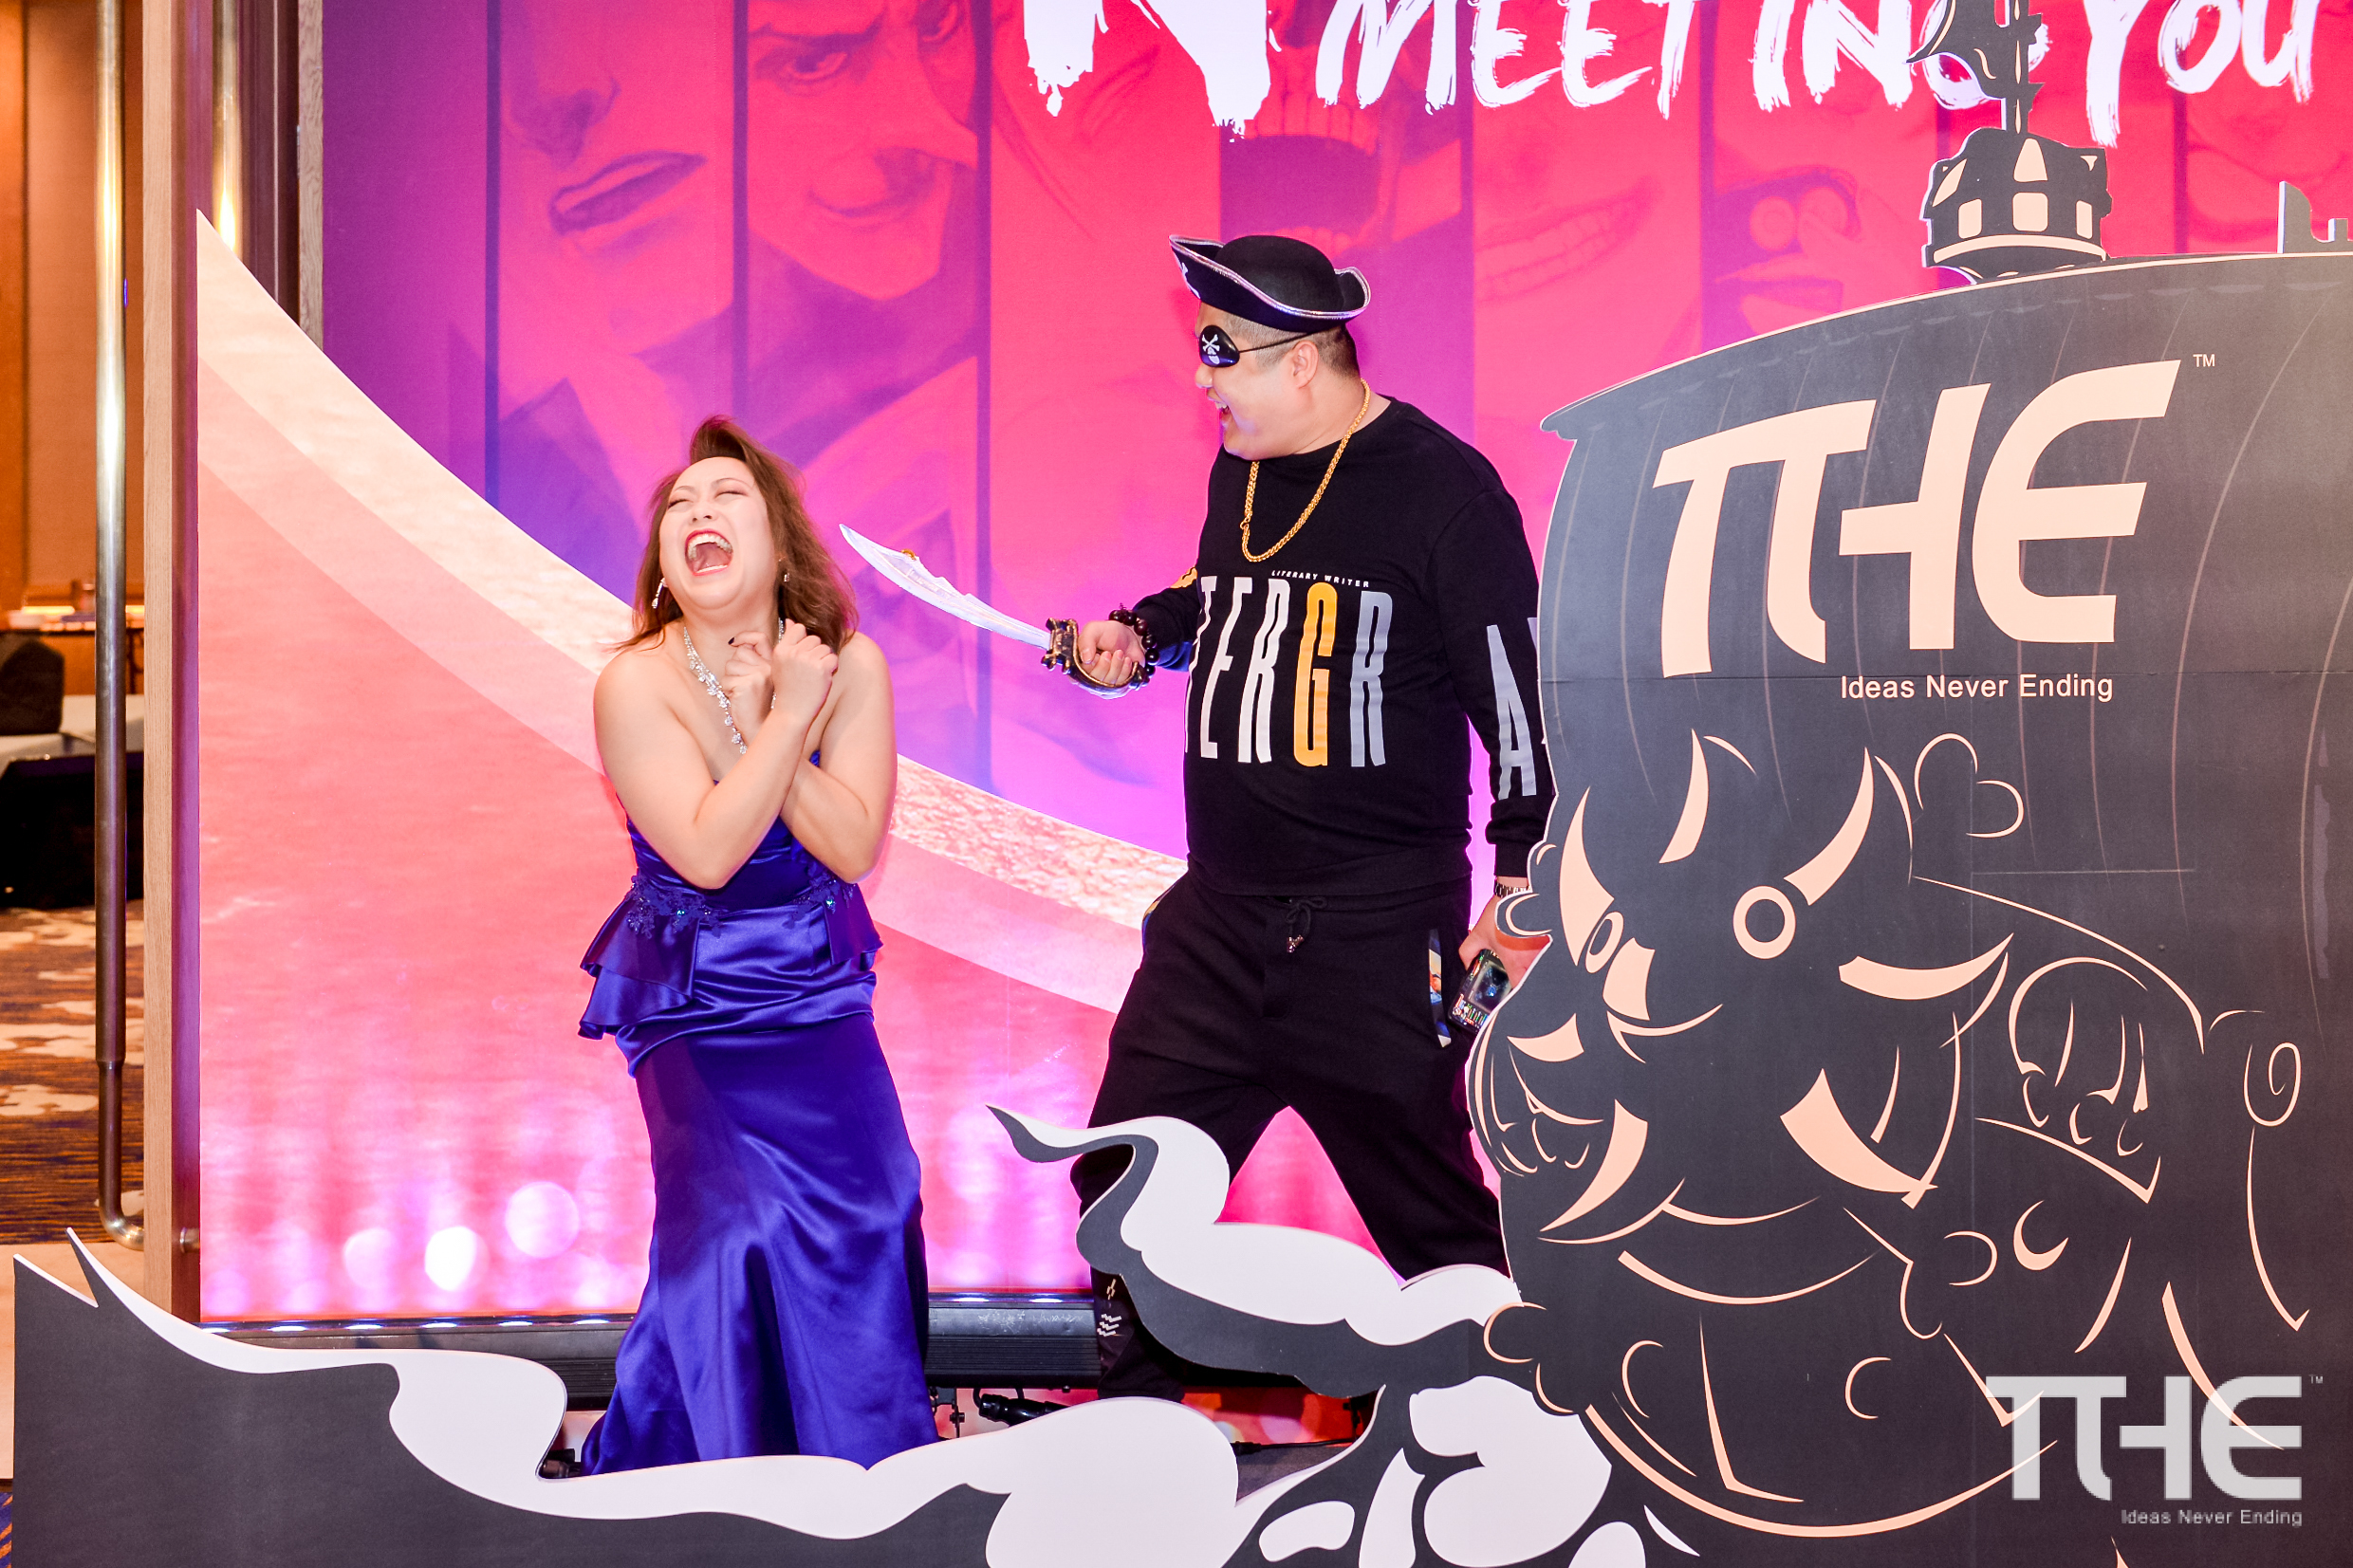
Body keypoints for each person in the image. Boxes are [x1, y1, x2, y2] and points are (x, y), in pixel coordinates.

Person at [1065, 234, 1556, 1397]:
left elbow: (1522, 703)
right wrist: (1146, 633)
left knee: (1430, 1216)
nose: (1203, 379)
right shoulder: (1243, 467)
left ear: (1300, 361)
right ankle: (1136, 1438)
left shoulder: (1443, 493)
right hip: (1219, 917)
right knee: (1123, 1177)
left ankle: (1511, 1430)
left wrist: (1521, 894)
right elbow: (1229, 596)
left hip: (1375, 930)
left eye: (1221, 354)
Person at [575, 416, 935, 1468]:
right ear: (664, 566)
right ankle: (714, 1487)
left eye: (726, 496)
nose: (700, 511)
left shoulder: (848, 665)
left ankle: (862, 1481)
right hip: (695, 999)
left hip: (814, 989)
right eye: (680, 505)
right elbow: (706, 852)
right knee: (735, 1234)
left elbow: (852, 844)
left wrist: (791, 704)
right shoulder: (635, 682)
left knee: (878, 1205)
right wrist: (775, 722)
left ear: (779, 546)